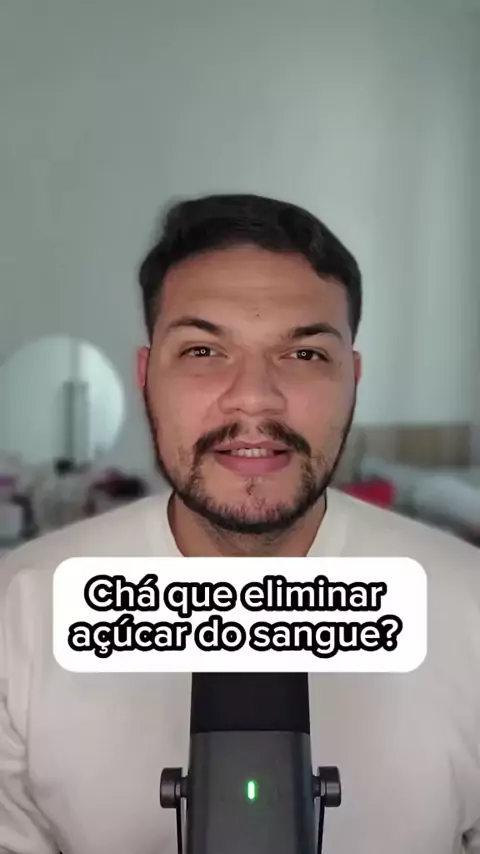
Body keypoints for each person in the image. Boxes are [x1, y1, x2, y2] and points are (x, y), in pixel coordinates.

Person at [0, 193, 479, 854]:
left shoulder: (469, 605)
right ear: (146, 377)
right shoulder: (22, 609)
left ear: (353, 378)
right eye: (203, 350)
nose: (254, 398)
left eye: (304, 355)